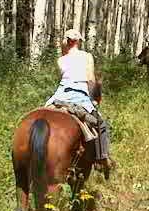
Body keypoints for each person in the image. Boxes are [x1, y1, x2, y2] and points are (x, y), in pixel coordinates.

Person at [45, 28, 115, 176]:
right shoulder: (87, 57)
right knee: (101, 124)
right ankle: (102, 158)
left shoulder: (61, 60)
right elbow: (90, 80)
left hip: (60, 96)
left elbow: (61, 80)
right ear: (78, 41)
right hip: (80, 97)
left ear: (66, 42)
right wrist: (93, 98)